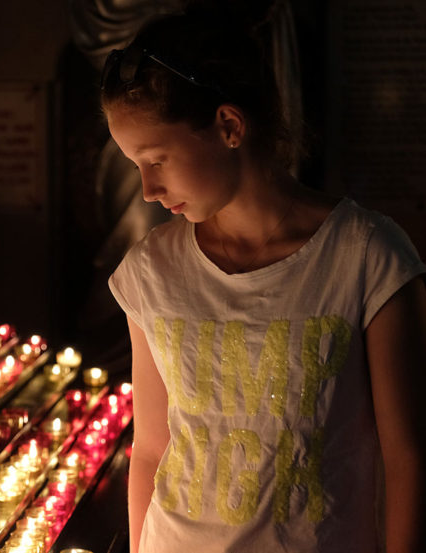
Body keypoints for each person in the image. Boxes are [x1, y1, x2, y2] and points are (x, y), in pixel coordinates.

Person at [101, 3, 426, 553]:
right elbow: (152, 449)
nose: (148, 189)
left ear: (228, 126)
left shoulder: (367, 259)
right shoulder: (151, 271)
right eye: (135, 164)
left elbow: (408, 455)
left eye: (156, 158)